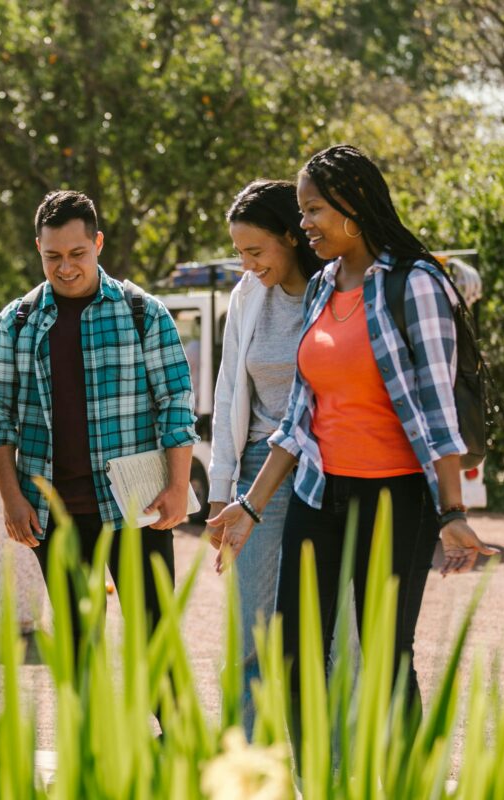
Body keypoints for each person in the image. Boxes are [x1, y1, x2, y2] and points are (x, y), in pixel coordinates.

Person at [208, 144, 496, 739]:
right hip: (320, 493)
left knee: (387, 658)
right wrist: (250, 506)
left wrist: (452, 511)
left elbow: (437, 412)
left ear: (354, 205)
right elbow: (298, 418)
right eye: (303, 212)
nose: (304, 222)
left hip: (396, 499)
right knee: (293, 653)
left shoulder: (414, 284)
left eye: (313, 210)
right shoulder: (322, 289)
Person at [0, 189, 198, 655]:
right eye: (52, 256)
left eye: (77, 253)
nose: (65, 267)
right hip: (52, 512)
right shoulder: (14, 323)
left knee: (155, 636)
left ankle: (175, 730)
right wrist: (11, 499)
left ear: (98, 243)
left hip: (135, 506)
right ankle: (94, 730)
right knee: (79, 645)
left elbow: (176, 402)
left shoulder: (143, 312)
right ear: (38, 249)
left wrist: (179, 487)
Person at [205, 180, 322, 736]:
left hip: (324, 472)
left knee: (323, 625)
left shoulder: (333, 291)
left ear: (291, 237)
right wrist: (222, 488)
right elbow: (230, 389)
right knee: (252, 626)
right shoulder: (248, 295)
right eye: (239, 253)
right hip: (258, 474)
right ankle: (245, 760)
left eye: (256, 251)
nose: (247, 265)